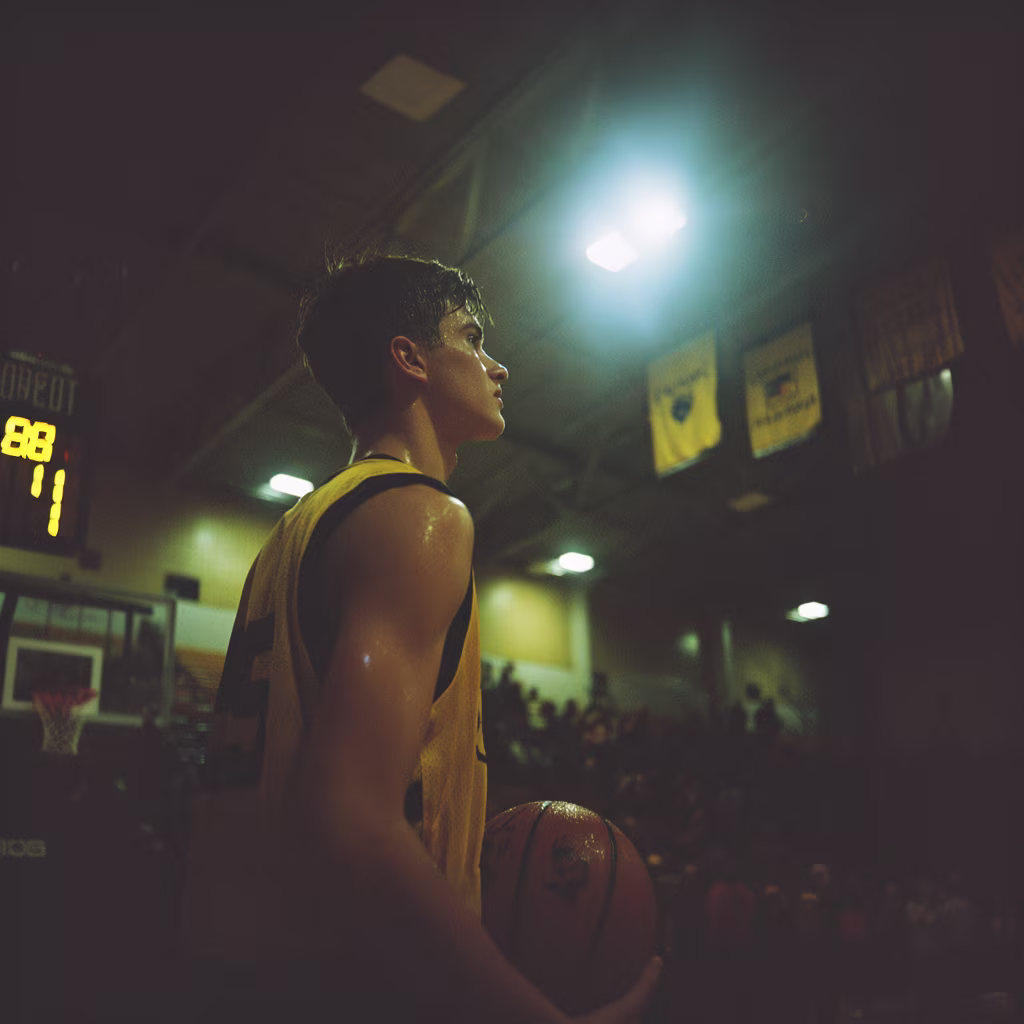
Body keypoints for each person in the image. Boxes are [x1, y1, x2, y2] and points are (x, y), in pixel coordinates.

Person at [179, 253, 662, 1023]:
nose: (497, 366)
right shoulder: (421, 516)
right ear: (409, 358)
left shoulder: (295, 530)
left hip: (236, 974)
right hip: (347, 988)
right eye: (472, 338)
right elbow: (354, 818)